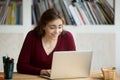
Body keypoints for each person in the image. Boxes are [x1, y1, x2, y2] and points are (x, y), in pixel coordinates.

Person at [17, 8, 76, 76]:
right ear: (43, 26)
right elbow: (21, 66)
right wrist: (41, 71)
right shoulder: (32, 36)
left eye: (60, 27)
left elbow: (73, 65)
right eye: (52, 27)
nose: (57, 31)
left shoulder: (67, 37)